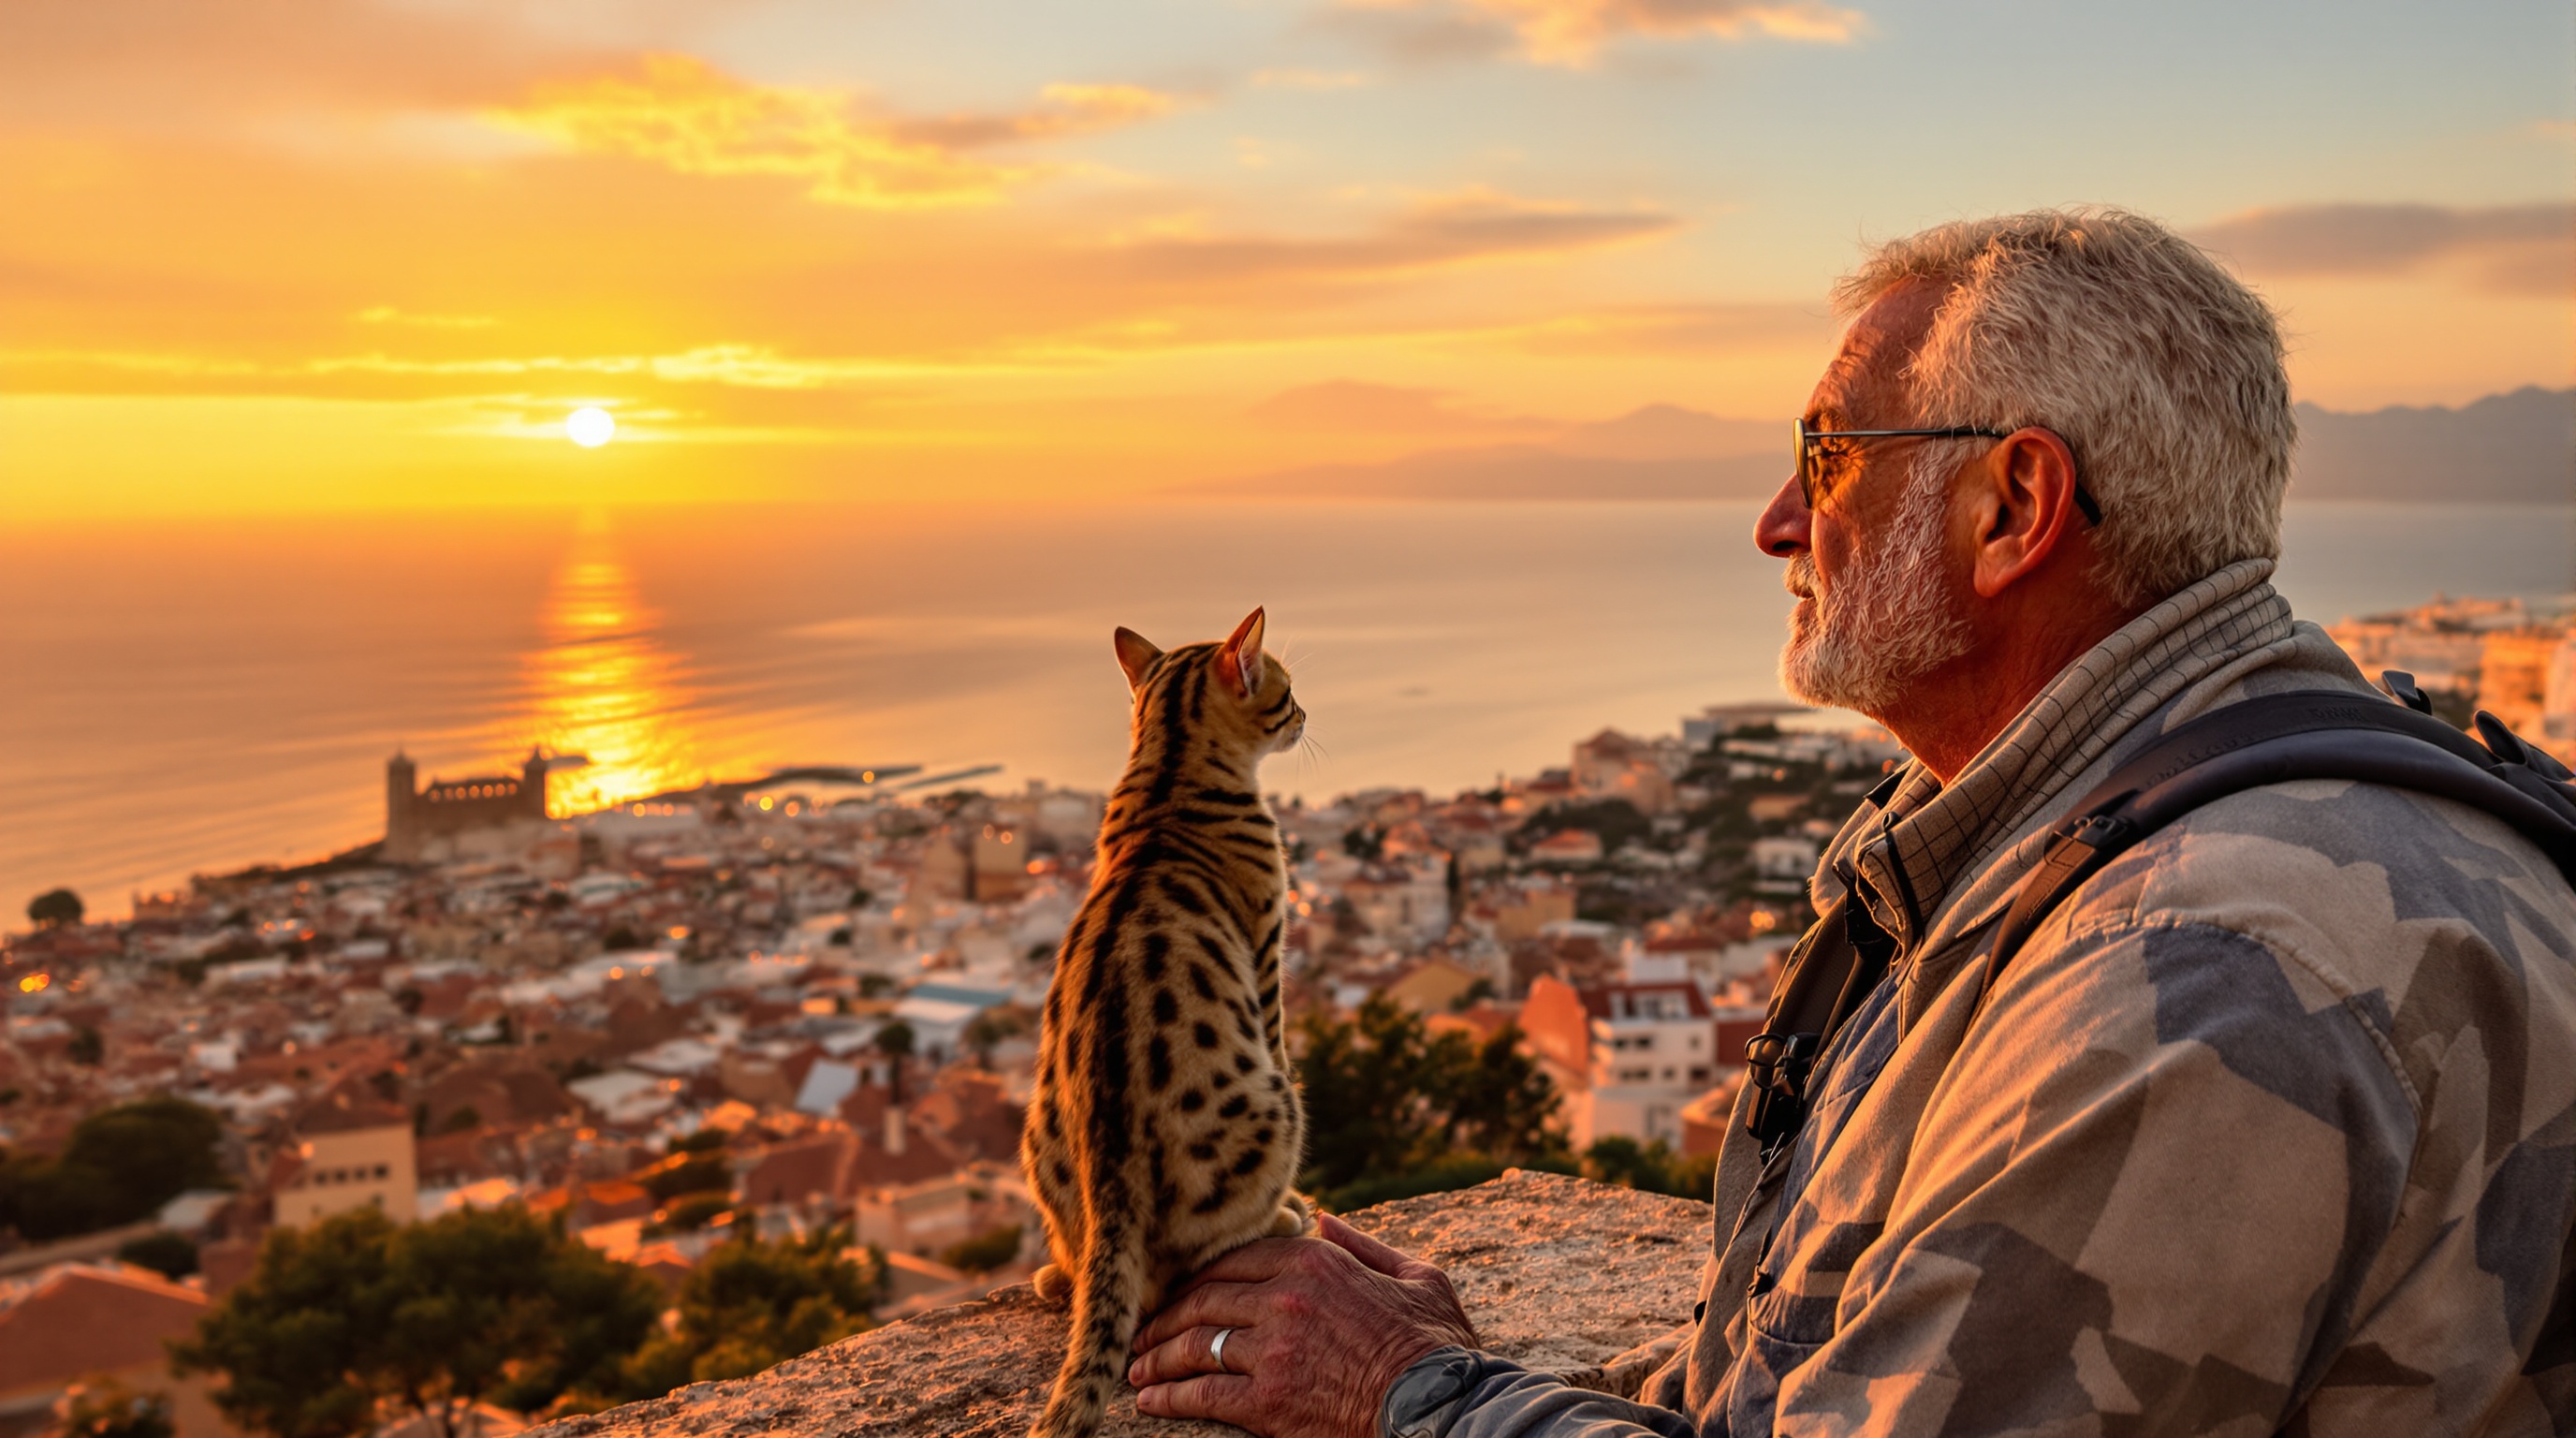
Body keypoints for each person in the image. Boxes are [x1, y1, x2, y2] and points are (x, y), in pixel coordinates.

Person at [1120, 207, 2576, 1437]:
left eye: (1827, 458)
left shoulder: (2195, 973)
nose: (1774, 522)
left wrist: (1410, 1392)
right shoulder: (2165, 821)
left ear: (2014, 507)